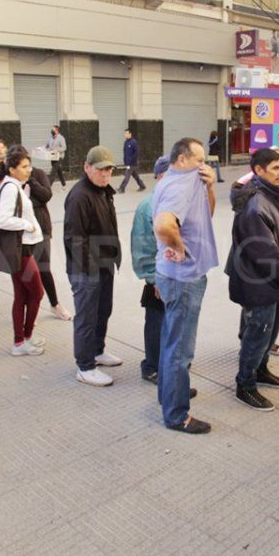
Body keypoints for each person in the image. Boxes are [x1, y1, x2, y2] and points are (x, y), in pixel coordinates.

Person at [227, 148, 279, 412]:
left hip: (275, 279)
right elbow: (265, 253)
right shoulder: (254, 205)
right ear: (258, 171)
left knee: (270, 332)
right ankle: (245, 385)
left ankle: (261, 370)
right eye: (275, 168)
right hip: (258, 282)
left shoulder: (275, 196)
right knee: (258, 334)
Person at [152, 137, 218, 434]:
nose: (204, 165)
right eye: (198, 160)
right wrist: (178, 247)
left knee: (172, 341)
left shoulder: (190, 181)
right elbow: (164, 225)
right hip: (183, 279)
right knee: (180, 349)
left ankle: (170, 392)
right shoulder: (179, 186)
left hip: (182, 277)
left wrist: (210, 186)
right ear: (181, 159)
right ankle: (177, 415)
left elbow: (207, 214)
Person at [64, 146, 123, 386]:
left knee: (103, 311)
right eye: (100, 169)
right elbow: (74, 238)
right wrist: (89, 270)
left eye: (109, 169)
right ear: (87, 167)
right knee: (87, 317)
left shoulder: (104, 191)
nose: (105, 174)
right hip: (87, 270)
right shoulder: (79, 196)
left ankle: (97, 351)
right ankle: (85, 366)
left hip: (104, 264)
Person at [0, 146, 47, 355]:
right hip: (20, 250)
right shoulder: (10, 188)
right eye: (24, 167)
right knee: (37, 293)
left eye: (29, 166)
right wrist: (27, 225)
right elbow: (1, 220)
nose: (29, 170)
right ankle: (23, 338)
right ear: (12, 169)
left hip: (21, 248)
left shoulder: (14, 185)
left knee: (22, 295)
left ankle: (22, 339)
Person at [131, 155, 173, 384]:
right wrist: (153, 278)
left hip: (178, 276)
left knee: (173, 323)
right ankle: (152, 366)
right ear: (160, 176)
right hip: (158, 277)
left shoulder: (179, 201)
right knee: (157, 321)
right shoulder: (148, 206)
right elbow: (142, 247)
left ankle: (169, 362)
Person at [24, 160, 73, 321]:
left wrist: (31, 181)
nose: (25, 169)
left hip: (41, 227)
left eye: (27, 165)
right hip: (22, 231)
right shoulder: (12, 180)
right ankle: (30, 309)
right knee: (26, 271)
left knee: (44, 267)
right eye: (21, 166)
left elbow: (46, 195)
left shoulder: (37, 174)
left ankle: (55, 304)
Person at [117, 129, 146, 193]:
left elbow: (136, 152)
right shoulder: (126, 142)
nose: (125, 135)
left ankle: (122, 188)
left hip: (132, 163)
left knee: (127, 176)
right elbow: (125, 152)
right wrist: (125, 160)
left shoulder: (134, 142)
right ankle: (142, 186)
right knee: (135, 176)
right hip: (128, 163)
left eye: (127, 133)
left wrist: (131, 160)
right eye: (125, 133)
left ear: (130, 134)